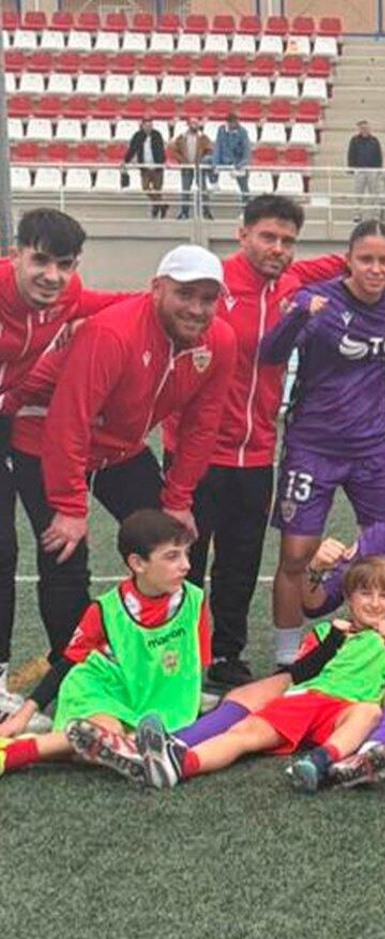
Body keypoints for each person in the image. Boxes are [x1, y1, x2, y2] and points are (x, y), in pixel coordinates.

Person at [168, 459, 385, 788]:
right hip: (339, 669)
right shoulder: (382, 537)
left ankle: (371, 753)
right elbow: (317, 604)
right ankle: (175, 743)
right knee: (262, 688)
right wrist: (317, 569)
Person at [8, 245, 237, 663]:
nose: (197, 309)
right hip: (45, 441)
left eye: (208, 298)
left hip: (119, 450)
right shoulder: (113, 332)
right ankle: (74, 671)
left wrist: (179, 499)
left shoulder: (220, 340)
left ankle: (160, 657)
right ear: (156, 290)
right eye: (184, 294)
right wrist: (69, 505)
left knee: (170, 539)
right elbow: (69, 420)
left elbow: (202, 425)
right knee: (65, 552)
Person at [179, 195, 344, 690]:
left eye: (288, 241)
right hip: (197, 450)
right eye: (268, 237)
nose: (278, 248)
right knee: (187, 560)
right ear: (242, 234)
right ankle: (183, 655)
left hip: (256, 451)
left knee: (241, 560)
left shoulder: (291, 285)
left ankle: (227, 654)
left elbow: (351, 258)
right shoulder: (212, 283)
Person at [116, 556, 385, 791]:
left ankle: (321, 761)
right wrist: (334, 640)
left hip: (346, 710)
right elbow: (301, 672)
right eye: (366, 594)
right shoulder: (327, 630)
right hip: (306, 699)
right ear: (350, 598)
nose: (375, 603)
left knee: (369, 712)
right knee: (243, 735)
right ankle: (179, 764)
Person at [260, 221, 385, 670]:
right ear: (348, 259)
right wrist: (297, 315)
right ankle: (288, 658)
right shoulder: (318, 300)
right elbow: (270, 353)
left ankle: (379, 646)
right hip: (313, 446)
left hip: (375, 448)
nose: (376, 269)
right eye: (366, 259)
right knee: (295, 555)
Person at [0, 211, 134, 694]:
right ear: (14, 254)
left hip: (10, 423)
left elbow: (127, 305)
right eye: (40, 260)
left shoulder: (70, 296)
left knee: (26, 548)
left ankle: (66, 670)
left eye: (65, 264)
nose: (52, 276)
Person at [0, 511, 207, 780]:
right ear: (137, 563)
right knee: (107, 733)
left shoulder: (195, 602)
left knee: (108, 744)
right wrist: (22, 716)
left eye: (185, 554)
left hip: (155, 699)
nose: (186, 565)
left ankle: (90, 749)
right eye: (172, 556)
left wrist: (194, 706)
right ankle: (13, 754)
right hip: (101, 690)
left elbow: (196, 664)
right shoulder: (107, 609)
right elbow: (68, 662)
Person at [123, 118, 168, 219]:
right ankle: (161, 205)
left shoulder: (157, 135)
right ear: (142, 126)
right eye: (147, 125)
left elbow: (161, 150)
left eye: (150, 125)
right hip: (145, 167)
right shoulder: (138, 136)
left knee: (157, 190)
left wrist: (162, 163)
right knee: (145, 188)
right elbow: (132, 149)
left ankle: (156, 208)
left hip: (157, 167)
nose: (149, 127)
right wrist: (125, 161)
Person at [169, 119, 213, 220]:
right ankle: (184, 212)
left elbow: (210, 150)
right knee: (185, 191)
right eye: (192, 123)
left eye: (196, 123)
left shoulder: (203, 137)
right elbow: (174, 150)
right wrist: (182, 161)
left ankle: (206, 211)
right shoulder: (181, 137)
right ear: (188, 125)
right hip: (186, 167)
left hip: (199, 167)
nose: (194, 125)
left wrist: (202, 161)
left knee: (203, 190)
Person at [347, 120, 385, 222]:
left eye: (366, 128)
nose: (365, 130)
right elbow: (351, 154)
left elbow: (379, 155)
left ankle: (376, 215)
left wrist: (379, 169)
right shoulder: (354, 140)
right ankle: (357, 215)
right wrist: (352, 168)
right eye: (362, 128)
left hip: (372, 170)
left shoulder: (375, 141)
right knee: (358, 194)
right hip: (359, 170)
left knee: (375, 194)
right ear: (359, 129)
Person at [209, 112, 251, 199]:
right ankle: (213, 182)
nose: (234, 124)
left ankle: (246, 205)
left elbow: (247, 152)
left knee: (244, 187)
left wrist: (239, 165)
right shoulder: (221, 130)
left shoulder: (243, 132)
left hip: (237, 162)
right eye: (232, 122)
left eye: (235, 122)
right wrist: (215, 165)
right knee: (206, 160)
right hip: (223, 160)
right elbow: (218, 147)